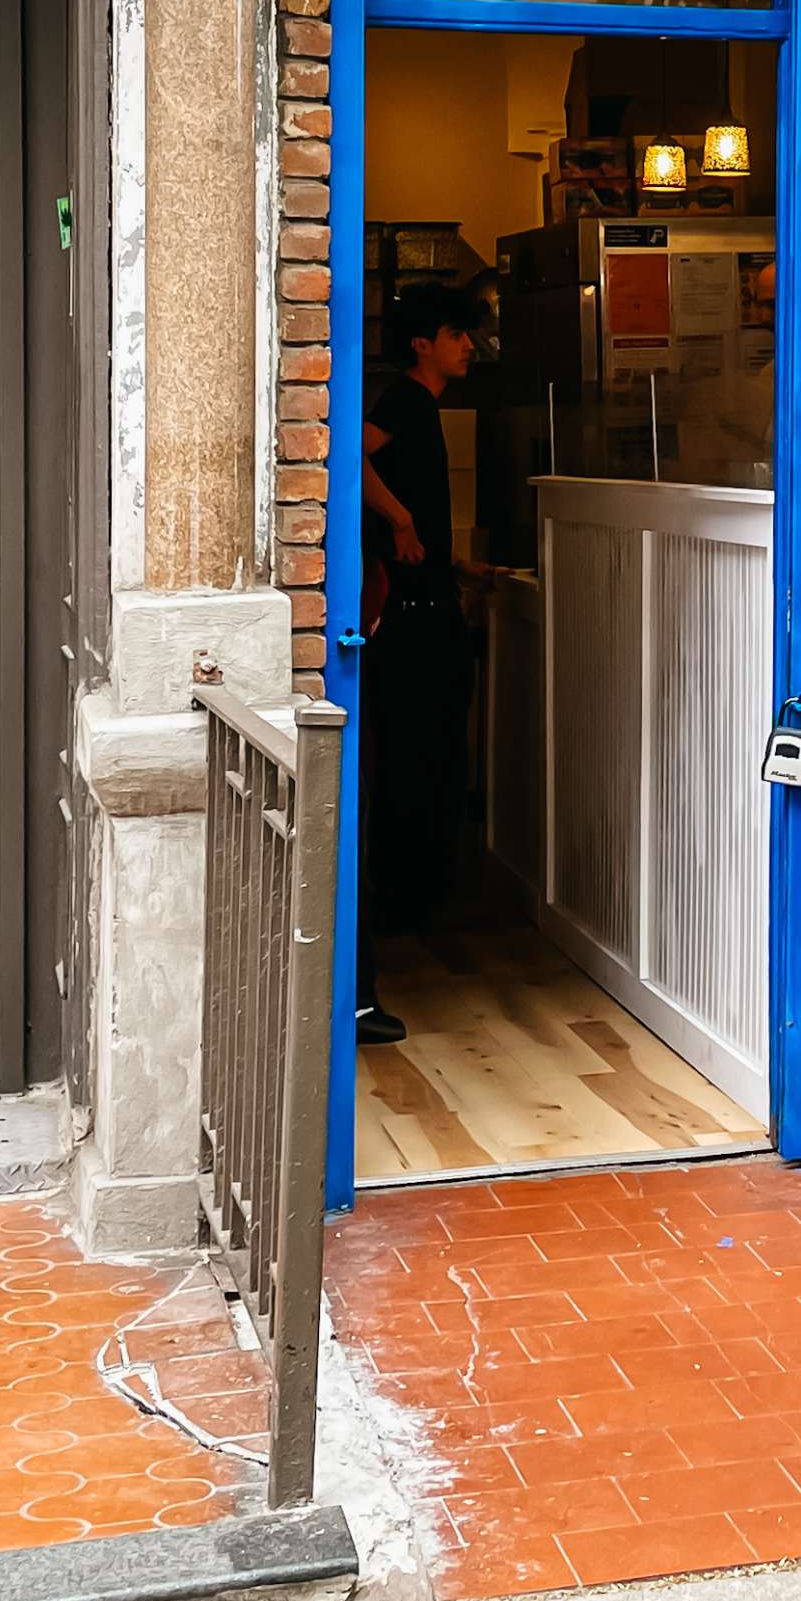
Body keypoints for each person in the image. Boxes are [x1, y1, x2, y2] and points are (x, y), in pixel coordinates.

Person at [356, 282, 481, 1049]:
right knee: (417, 748)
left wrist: (461, 566)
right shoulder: (403, 401)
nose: (468, 346)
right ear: (422, 345)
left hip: (426, 595)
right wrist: (399, 518)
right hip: (406, 613)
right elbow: (352, 461)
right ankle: (409, 899)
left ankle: (414, 897)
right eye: (457, 333)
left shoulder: (422, 407)